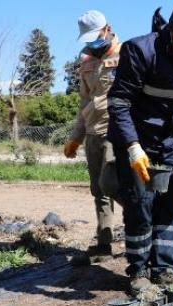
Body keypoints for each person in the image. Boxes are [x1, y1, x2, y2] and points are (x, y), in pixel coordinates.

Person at [107, 0, 173, 293]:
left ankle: (164, 268)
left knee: (169, 203)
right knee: (140, 204)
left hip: (167, 143)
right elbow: (119, 102)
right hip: (136, 139)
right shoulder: (140, 50)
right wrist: (132, 146)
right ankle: (138, 270)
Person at [64, 10, 122, 265]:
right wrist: (75, 137)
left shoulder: (127, 55)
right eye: (87, 39)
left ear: (107, 28)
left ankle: (140, 237)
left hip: (117, 132)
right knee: (98, 190)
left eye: (95, 36)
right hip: (92, 133)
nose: (92, 43)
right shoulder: (87, 62)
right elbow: (84, 102)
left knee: (115, 185)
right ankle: (104, 244)